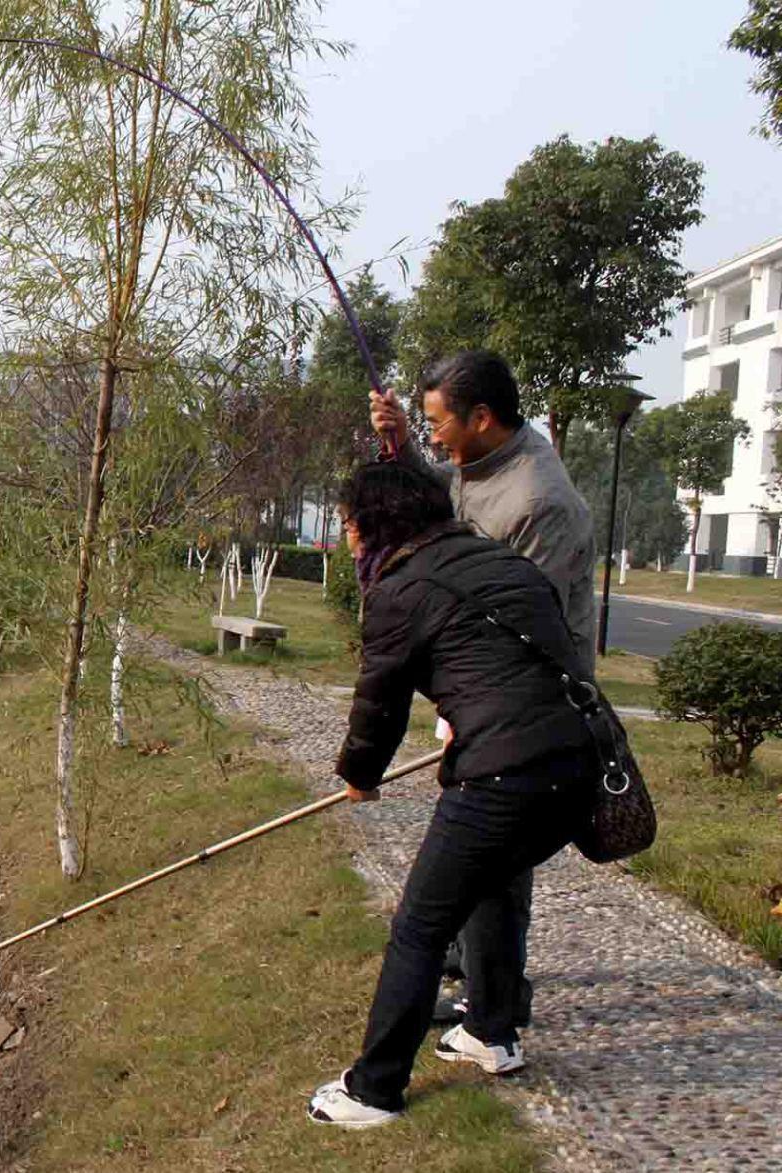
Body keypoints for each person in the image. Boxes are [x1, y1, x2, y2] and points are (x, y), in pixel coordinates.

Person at [307, 462, 595, 1129]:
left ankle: (374, 1089)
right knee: (491, 883)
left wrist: (360, 776)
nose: (346, 536)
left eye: (347, 523)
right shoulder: (502, 562)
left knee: (420, 926)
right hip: (576, 765)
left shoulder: (399, 589)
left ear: (375, 524)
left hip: (503, 775)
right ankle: (491, 1032)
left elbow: (378, 704)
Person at [369, 349, 594, 1040]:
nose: (435, 437)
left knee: (497, 844)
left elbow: (527, 619)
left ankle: (496, 1004)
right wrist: (403, 445)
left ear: (483, 417)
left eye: (438, 423)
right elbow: (444, 493)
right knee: (481, 844)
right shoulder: (482, 462)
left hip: (527, 696)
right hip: (481, 685)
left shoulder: (539, 501)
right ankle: (481, 974)